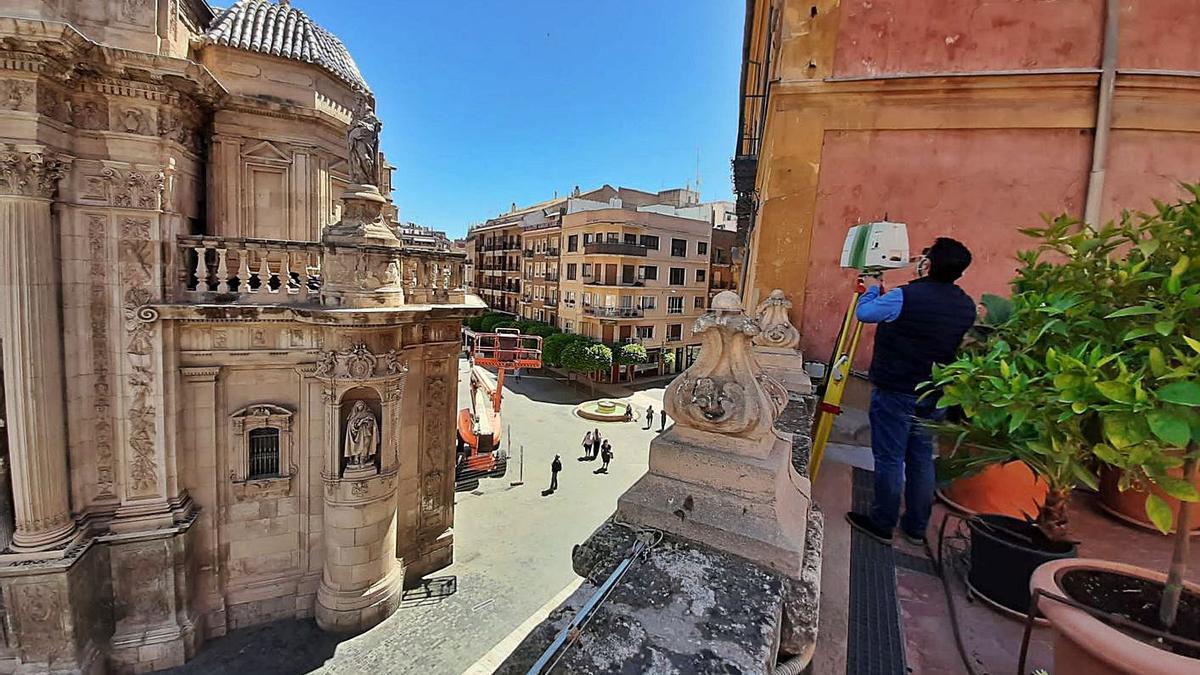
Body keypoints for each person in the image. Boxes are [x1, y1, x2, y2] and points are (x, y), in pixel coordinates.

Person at [845, 238, 977, 546]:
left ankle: (882, 523)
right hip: (934, 393)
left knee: (890, 457)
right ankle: (916, 527)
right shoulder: (965, 304)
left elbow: (865, 314)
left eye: (925, 256)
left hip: (896, 389)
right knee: (921, 458)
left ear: (928, 264)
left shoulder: (905, 297)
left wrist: (873, 287)